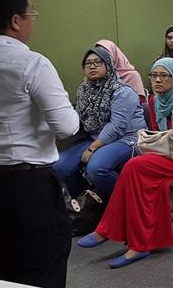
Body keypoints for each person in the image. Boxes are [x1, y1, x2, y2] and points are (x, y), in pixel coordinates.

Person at [0, 0, 79, 288]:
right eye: (31, 15)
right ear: (16, 21)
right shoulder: (31, 63)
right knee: (42, 273)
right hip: (26, 187)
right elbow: (67, 127)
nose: (32, 23)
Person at [77, 57, 173, 268]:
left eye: (164, 76)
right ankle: (137, 243)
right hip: (171, 152)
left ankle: (110, 231)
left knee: (135, 166)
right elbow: (159, 136)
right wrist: (172, 138)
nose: (157, 80)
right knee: (140, 173)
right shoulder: (155, 102)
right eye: (154, 75)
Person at [54, 47, 145, 198]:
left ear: (108, 65)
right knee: (60, 166)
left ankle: (129, 200)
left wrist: (92, 149)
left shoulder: (122, 91)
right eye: (88, 63)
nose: (92, 66)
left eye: (98, 62)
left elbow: (117, 126)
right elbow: (80, 118)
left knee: (96, 168)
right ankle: (91, 201)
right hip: (96, 137)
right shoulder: (84, 90)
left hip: (126, 138)